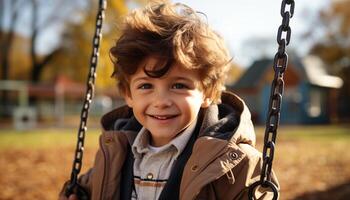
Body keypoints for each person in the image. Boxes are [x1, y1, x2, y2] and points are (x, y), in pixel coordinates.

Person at [59, 0, 279, 199]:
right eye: (146, 86)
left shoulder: (235, 164)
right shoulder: (115, 152)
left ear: (208, 93)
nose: (161, 101)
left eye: (178, 85)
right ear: (128, 95)